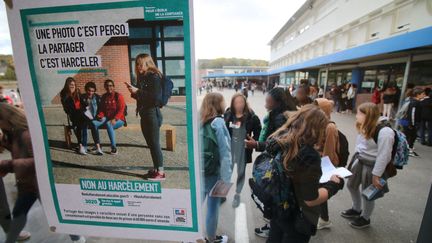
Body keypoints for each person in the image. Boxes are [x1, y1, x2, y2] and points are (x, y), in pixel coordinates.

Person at [0, 104, 85, 243]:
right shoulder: (12, 134)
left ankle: (77, 238)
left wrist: (7, 165)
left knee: (54, 215)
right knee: (18, 216)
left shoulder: (26, 134)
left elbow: (39, 162)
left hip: (40, 185)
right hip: (27, 185)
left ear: (6, 119)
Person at [266, 105, 344, 243]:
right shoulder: (309, 155)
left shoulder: (282, 141)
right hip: (298, 218)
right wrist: (333, 184)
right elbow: (311, 199)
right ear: (318, 129)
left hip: (279, 210)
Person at [245, 88, 295, 238]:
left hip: (281, 166)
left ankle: (276, 228)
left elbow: (279, 144)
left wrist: (257, 145)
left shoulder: (280, 118)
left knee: (276, 197)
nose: (265, 104)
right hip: (284, 165)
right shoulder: (286, 114)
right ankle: (275, 226)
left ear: (278, 102)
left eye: (268, 101)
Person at [342, 102, 394, 229]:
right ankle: (356, 209)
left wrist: (376, 175)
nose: (356, 116)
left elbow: (384, 156)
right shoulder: (365, 125)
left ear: (368, 115)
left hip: (373, 165)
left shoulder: (385, 132)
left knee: (368, 193)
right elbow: (360, 145)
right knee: (351, 185)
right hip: (360, 160)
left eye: (359, 113)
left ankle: (365, 218)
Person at [200, 93, 232, 243]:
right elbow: (225, 152)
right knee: (213, 208)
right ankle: (211, 239)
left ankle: (192, 237)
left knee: (197, 206)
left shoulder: (200, 121)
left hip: (200, 171)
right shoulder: (218, 122)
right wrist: (226, 178)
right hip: (214, 173)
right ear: (218, 104)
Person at [126, 53, 165, 180]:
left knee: (154, 143)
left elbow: (155, 98)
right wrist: (134, 92)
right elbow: (144, 96)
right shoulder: (143, 77)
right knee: (150, 143)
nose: (137, 67)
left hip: (152, 113)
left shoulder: (154, 77)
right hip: (145, 113)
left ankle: (161, 172)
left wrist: (137, 91)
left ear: (147, 63)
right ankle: (156, 168)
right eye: (136, 64)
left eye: (140, 64)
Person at [224, 93, 261, 208]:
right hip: (229, 150)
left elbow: (258, 132)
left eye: (241, 102)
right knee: (226, 173)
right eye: (236, 102)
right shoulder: (228, 114)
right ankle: (222, 194)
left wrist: (253, 142)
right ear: (232, 104)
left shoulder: (252, 117)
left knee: (240, 174)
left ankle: (237, 195)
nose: (239, 104)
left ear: (245, 103)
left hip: (243, 152)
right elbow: (224, 130)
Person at [314, 98, 340, 230]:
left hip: (325, 165)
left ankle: (324, 219)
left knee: (319, 191)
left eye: (318, 108)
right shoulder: (319, 124)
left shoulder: (330, 127)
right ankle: (323, 218)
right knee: (317, 191)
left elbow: (329, 151)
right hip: (317, 163)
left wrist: (325, 171)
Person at [94, 79, 126, 155]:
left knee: (109, 124)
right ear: (105, 87)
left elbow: (121, 110)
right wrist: (100, 115)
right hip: (107, 117)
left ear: (114, 87)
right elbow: (102, 109)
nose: (109, 87)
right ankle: (98, 146)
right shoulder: (104, 97)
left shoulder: (118, 96)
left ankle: (113, 147)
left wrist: (115, 119)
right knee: (94, 123)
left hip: (119, 119)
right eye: (107, 86)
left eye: (111, 86)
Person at [60, 77, 85, 154]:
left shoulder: (77, 92)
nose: (72, 86)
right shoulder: (64, 94)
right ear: (67, 85)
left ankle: (82, 144)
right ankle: (81, 144)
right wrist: (70, 95)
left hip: (81, 113)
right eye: (71, 85)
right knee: (78, 123)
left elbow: (83, 103)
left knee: (80, 122)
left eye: (74, 85)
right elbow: (66, 107)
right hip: (72, 114)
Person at [399, 87, 425, 157]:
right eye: (423, 94)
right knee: (411, 136)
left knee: (408, 135)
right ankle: (408, 149)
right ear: (418, 95)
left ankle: (407, 149)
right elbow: (412, 114)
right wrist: (412, 124)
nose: (424, 95)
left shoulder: (410, 100)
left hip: (405, 121)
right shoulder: (415, 103)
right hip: (410, 122)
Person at [80, 81, 103, 155]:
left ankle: (98, 147)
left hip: (95, 118)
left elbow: (101, 109)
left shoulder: (97, 97)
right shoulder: (82, 98)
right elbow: (81, 110)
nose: (90, 92)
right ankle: (85, 146)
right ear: (86, 90)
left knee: (93, 124)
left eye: (92, 91)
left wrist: (100, 115)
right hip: (85, 118)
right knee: (84, 125)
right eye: (89, 90)